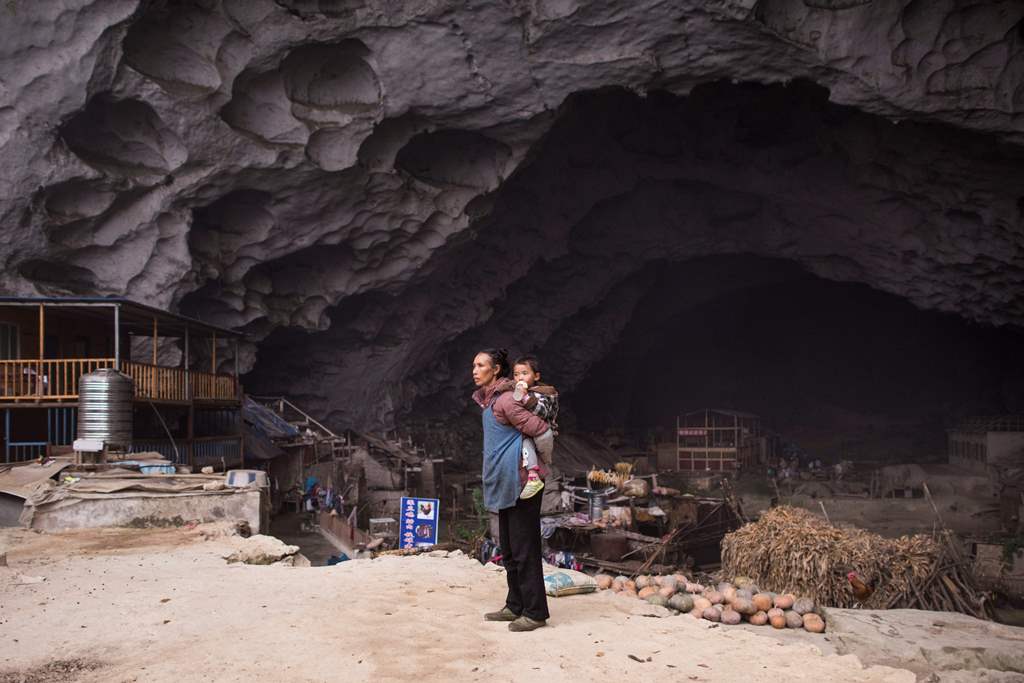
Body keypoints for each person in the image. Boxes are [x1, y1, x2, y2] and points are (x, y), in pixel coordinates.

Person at [472, 347, 551, 632]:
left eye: (481, 365)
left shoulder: (506, 400)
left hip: (522, 484)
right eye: (474, 365)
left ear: (496, 370)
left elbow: (542, 429)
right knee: (508, 548)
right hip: (505, 484)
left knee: (524, 548)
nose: (475, 370)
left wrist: (543, 465)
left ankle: (535, 612)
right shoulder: (489, 401)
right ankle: (515, 605)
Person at [511, 354, 558, 500]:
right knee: (524, 442)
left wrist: (525, 398)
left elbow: (543, 412)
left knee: (535, 450)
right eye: (516, 374)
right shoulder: (517, 391)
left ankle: (538, 471)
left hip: (544, 433)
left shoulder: (544, 393)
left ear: (536, 376)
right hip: (530, 434)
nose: (520, 378)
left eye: (525, 373)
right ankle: (533, 476)